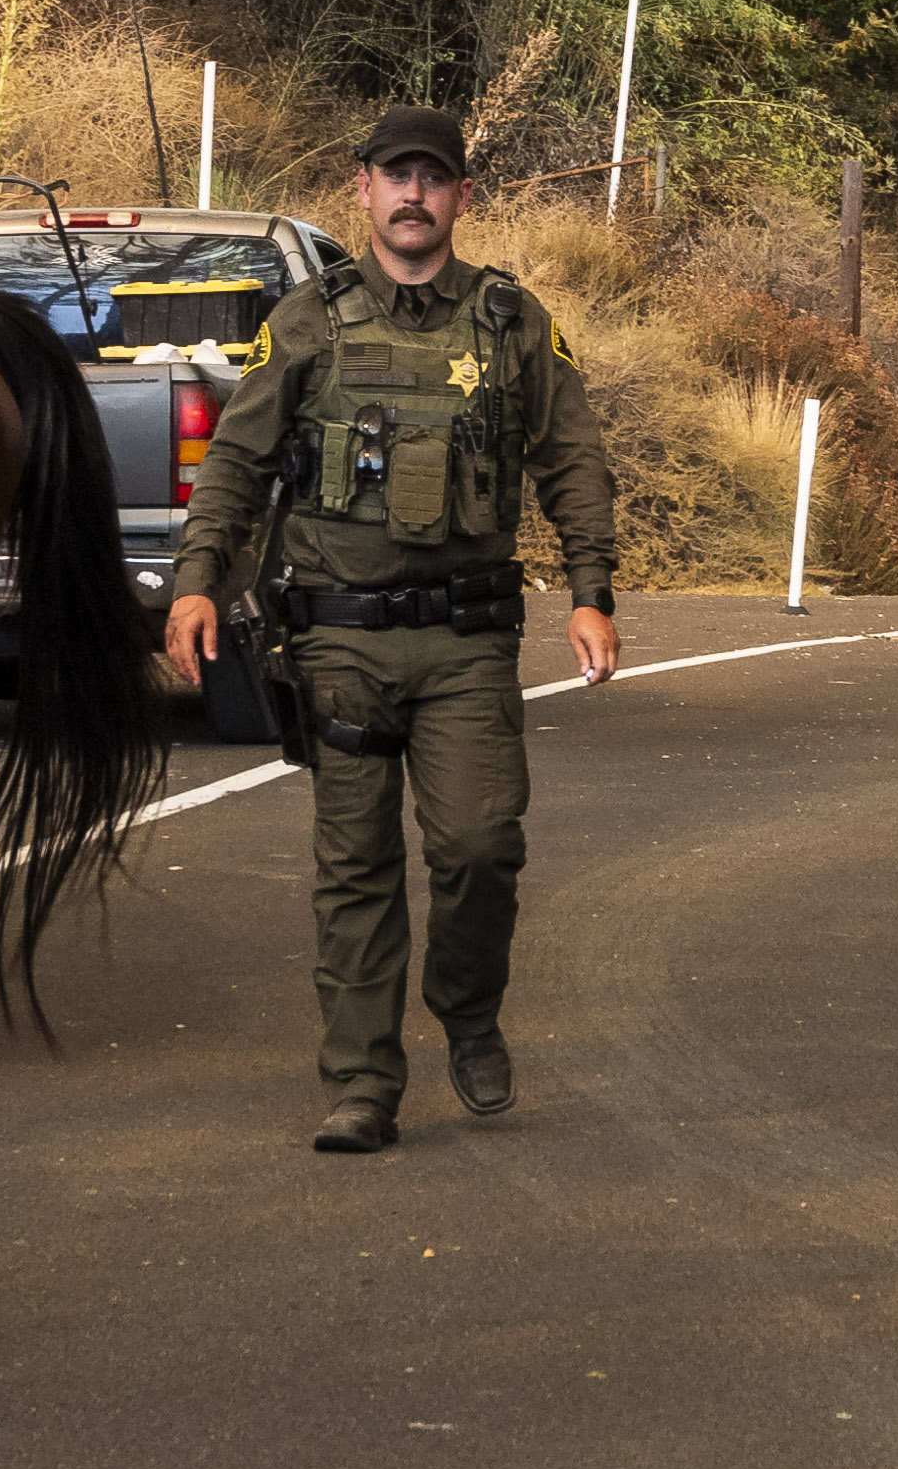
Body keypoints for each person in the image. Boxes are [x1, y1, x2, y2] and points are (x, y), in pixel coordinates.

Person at [159, 109, 621, 1152]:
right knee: (355, 865)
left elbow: (573, 459)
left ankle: (466, 1008)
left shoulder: (511, 322)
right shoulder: (307, 322)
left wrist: (592, 589)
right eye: (394, 175)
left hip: (465, 639)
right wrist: (196, 580)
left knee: (479, 845)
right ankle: (362, 1080)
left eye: (433, 178)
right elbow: (235, 460)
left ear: (459, 197)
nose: (413, 194)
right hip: (338, 642)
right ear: (360, 189)